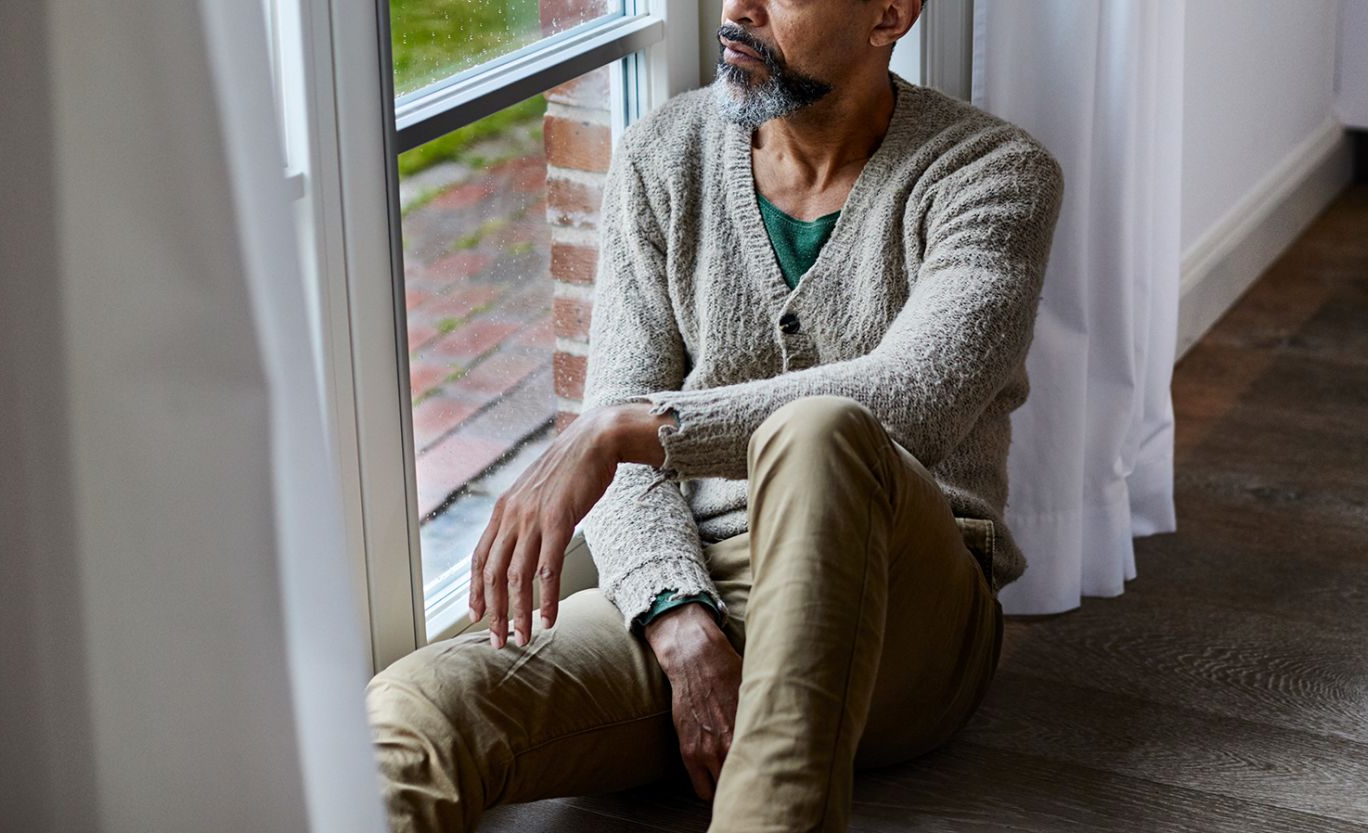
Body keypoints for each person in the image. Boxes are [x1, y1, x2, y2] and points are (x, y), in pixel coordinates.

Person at [365, 0, 1064, 830]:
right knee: (412, 714)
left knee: (821, 432)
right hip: (709, 581)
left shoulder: (994, 174)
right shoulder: (666, 153)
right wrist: (675, 616)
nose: (738, 8)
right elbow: (625, 445)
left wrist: (623, 426)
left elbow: (909, 398)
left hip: (908, 602)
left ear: (888, 15)